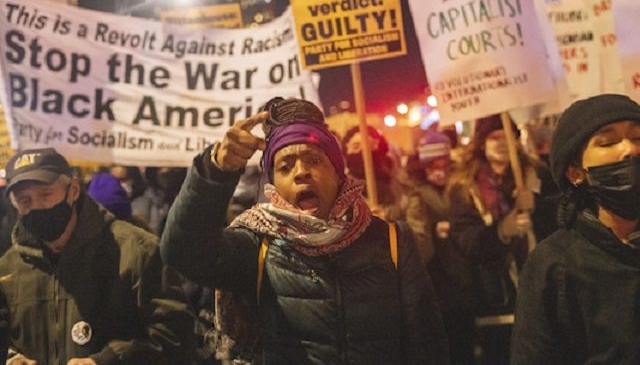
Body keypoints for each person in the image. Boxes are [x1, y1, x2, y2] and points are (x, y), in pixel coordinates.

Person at [160, 97, 449, 365]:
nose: (301, 172)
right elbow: (182, 252)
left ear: (337, 172)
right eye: (285, 166)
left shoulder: (392, 240)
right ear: (273, 186)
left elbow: (427, 344)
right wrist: (215, 171)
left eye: (314, 160)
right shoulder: (257, 245)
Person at [0, 147, 194, 364]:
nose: (36, 207)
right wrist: (11, 357)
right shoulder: (9, 269)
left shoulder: (138, 251)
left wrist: (106, 360)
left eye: (45, 195)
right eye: (24, 200)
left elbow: (175, 336)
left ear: (73, 190)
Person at [512, 94, 640, 364]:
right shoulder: (553, 264)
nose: (630, 149)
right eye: (608, 142)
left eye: (637, 137)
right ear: (575, 173)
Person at [448, 114, 540, 365]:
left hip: (539, 294)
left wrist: (537, 204)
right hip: (494, 301)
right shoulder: (464, 188)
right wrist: (502, 231)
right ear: (481, 143)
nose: (501, 142)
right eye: (494, 137)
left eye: (507, 136)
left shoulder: (536, 175)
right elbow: (465, 240)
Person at [406, 131, 476, 364]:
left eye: (444, 164)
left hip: (464, 276)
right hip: (436, 281)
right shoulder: (415, 194)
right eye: (432, 165)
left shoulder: (463, 186)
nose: (439, 170)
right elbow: (419, 244)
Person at [342, 125, 407, 221]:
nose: (363, 153)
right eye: (356, 147)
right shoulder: (339, 194)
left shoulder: (401, 190)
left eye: (369, 148)